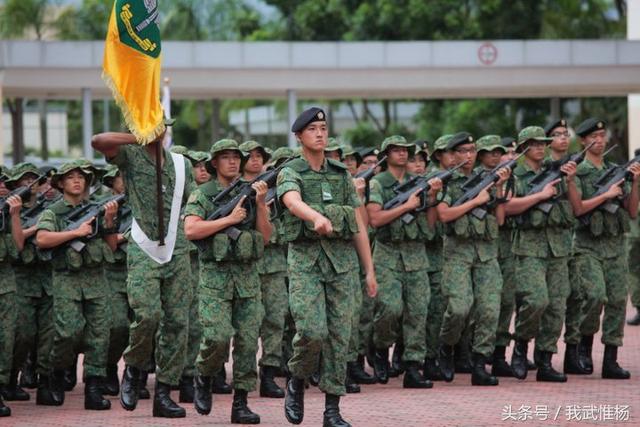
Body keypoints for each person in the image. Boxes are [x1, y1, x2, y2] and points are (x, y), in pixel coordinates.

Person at [278, 107, 377, 427]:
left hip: (343, 264)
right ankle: (296, 377)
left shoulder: (340, 174)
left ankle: (332, 409)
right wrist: (315, 217)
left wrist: (369, 270)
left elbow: (359, 223)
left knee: (340, 336)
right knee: (311, 330)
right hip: (307, 262)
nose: (320, 133)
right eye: (313, 129)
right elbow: (291, 200)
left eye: (323, 127)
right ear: (299, 136)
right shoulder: (290, 171)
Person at [91, 128, 194, 418]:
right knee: (147, 315)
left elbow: (191, 202)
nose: (159, 130)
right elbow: (97, 141)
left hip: (177, 249)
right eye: (152, 124)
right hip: (144, 248)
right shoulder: (130, 156)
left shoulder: (181, 164)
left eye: (162, 124)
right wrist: (137, 138)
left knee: (176, 323)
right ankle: (134, 367)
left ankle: (164, 392)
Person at [185, 139, 271, 424]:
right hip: (215, 280)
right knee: (218, 337)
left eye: (237, 157)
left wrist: (260, 203)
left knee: (247, 342)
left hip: (247, 279)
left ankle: (241, 402)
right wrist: (228, 220)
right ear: (215, 163)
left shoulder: (251, 191)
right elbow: (191, 230)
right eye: (226, 157)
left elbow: (267, 237)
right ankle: (204, 376)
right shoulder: (203, 194)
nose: (233, 162)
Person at [35, 160, 119, 410]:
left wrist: (110, 220)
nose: (76, 180)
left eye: (81, 177)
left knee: (100, 336)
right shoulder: (54, 212)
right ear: (60, 183)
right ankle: (54, 374)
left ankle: (93, 389)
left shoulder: (97, 208)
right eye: (70, 177)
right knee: (67, 333)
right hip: (67, 280)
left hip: (96, 280)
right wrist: (75, 233)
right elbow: (42, 239)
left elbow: (112, 245)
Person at [565, 118, 640, 379]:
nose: (599, 140)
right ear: (583, 141)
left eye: (602, 135)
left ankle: (611, 359)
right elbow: (578, 210)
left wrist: (636, 182)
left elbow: (631, 211)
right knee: (595, 296)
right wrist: (605, 195)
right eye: (593, 136)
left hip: (615, 245)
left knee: (619, 301)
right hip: (587, 246)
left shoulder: (616, 170)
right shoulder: (578, 172)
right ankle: (584, 346)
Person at [366, 135, 442, 389]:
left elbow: (431, 225)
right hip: (388, 254)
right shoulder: (378, 183)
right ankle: (380, 348)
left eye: (405, 150)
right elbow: (375, 219)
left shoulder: (417, 182)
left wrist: (433, 198)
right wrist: (407, 205)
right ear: (387, 154)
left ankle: (413, 366)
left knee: (418, 311)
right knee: (390, 308)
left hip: (416, 254)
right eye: (396, 150)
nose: (402, 154)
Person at [436, 132, 510, 386]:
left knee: (489, 309)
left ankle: (480, 363)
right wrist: (475, 201)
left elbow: (499, 219)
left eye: (472, 151)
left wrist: (498, 189)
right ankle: (446, 346)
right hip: (458, 251)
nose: (468, 156)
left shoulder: (486, 178)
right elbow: (444, 215)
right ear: (454, 154)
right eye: (463, 151)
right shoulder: (447, 181)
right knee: (459, 308)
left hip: (486, 252)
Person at [504, 126, 577, 382]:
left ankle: (545, 359)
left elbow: (575, 206)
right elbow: (508, 207)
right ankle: (521, 346)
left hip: (557, 247)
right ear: (523, 147)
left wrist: (569, 181)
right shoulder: (514, 175)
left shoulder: (555, 170)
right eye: (534, 143)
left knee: (556, 306)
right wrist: (540, 196)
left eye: (542, 143)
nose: (540, 147)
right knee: (536, 301)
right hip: (529, 247)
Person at [0, 169, 26, 417]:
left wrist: (15, 215)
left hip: (5, 280)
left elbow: (18, 245)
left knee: (6, 339)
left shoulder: (5, 212)